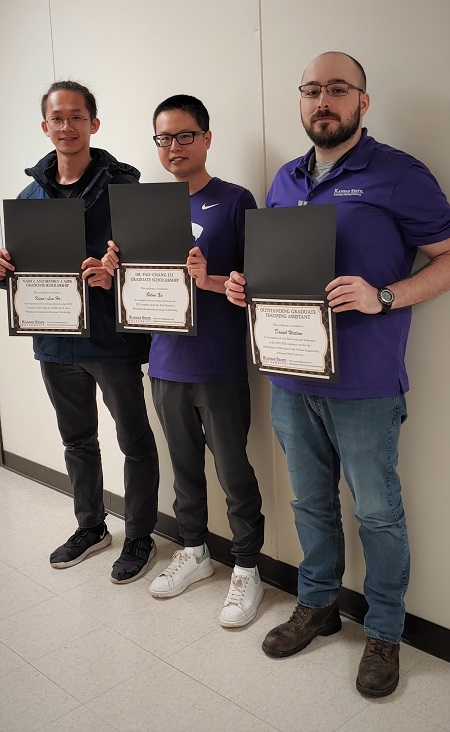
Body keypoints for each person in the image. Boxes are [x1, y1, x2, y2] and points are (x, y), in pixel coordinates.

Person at [225, 52, 450, 695]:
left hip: (365, 384)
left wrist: (383, 296)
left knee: (377, 513)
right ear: (301, 102)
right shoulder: (284, 180)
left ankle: (383, 631)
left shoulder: (400, 175)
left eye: (338, 89)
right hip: (292, 379)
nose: (324, 101)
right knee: (309, 502)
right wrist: (248, 287)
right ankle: (318, 601)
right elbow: (276, 266)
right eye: (312, 90)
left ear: (362, 102)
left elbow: (447, 256)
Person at [103, 94, 265, 627]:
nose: (174, 147)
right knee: (184, 469)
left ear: (206, 138)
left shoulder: (236, 200)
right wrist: (112, 273)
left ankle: (247, 568)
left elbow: (260, 286)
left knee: (234, 472)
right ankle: (193, 551)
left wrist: (210, 280)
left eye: (185, 136)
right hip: (165, 361)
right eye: (164, 138)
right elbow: (136, 285)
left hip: (217, 364)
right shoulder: (142, 206)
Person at [0, 80, 159, 584]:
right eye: (57, 119)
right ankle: (91, 527)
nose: (66, 127)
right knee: (77, 441)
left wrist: (116, 274)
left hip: (111, 339)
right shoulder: (29, 197)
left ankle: (139, 535)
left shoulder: (125, 190)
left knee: (133, 438)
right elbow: (28, 276)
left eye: (76, 117)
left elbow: (157, 271)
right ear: (45, 127)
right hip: (54, 342)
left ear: (94, 123)